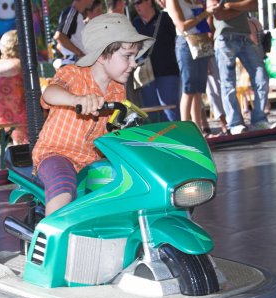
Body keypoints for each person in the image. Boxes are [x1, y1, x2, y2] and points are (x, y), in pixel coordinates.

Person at [32, 13, 154, 216]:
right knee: (63, 187)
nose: (134, 63)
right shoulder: (73, 74)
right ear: (102, 56)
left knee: (128, 183)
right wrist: (76, 99)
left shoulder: (117, 89)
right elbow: (49, 93)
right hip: (58, 154)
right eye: (127, 56)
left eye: (135, 56)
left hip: (92, 159)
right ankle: (52, 240)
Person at [208, 0, 276, 135]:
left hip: (245, 37)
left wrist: (230, 6)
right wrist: (242, 7)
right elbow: (218, 14)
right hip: (224, 38)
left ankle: (258, 120)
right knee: (228, 83)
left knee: (261, 76)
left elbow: (254, 4)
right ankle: (234, 124)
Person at [165, 0, 216, 133]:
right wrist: (204, 14)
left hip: (200, 41)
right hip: (186, 42)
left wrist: (207, 14)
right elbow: (181, 26)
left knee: (198, 89)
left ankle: (198, 130)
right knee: (188, 88)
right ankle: (185, 131)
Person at [131, 0, 180, 122]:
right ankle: (156, 140)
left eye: (139, 2)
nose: (136, 6)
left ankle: (176, 139)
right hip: (145, 75)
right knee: (150, 111)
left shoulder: (165, 18)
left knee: (170, 110)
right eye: (134, 4)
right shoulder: (135, 24)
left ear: (148, 2)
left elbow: (176, 41)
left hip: (167, 72)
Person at [0, 30, 28, 145]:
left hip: (1, 114)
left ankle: (18, 150)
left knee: (18, 137)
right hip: (21, 113)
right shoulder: (20, 64)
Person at [53, 0, 94, 67]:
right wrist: (80, 54)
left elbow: (60, 43)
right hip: (74, 65)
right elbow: (59, 36)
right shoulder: (72, 12)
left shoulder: (75, 14)